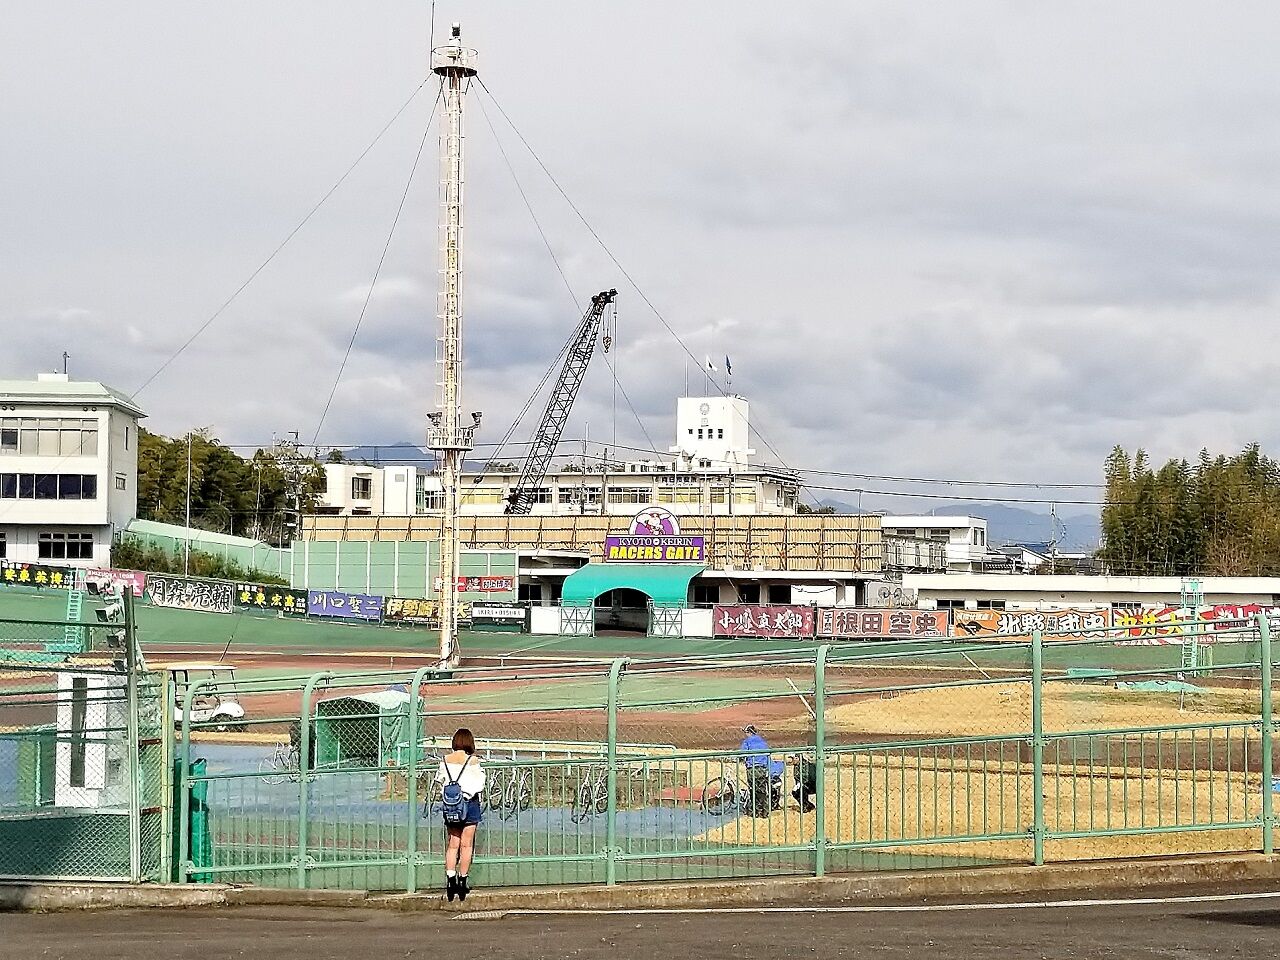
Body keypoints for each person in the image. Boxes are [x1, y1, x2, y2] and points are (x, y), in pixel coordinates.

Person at [436, 727, 485, 902]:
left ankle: (451, 881)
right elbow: (480, 784)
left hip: (451, 806)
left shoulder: (445, 760)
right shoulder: (473, 761)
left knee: (452, 844)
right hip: (469, 804)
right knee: (466, 845)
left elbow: (440, 780)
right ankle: (463, 881)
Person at [739, 725, 784, 817]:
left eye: (746, 732)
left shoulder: (747, 741)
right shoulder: (762, 741)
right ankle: (765, 811)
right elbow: (767, 754)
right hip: (762, 768)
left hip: (752, 768)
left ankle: (756, 811)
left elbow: (742, 754)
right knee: (762, 790)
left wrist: (741, 759)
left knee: (753, 790)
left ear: (749, 732)